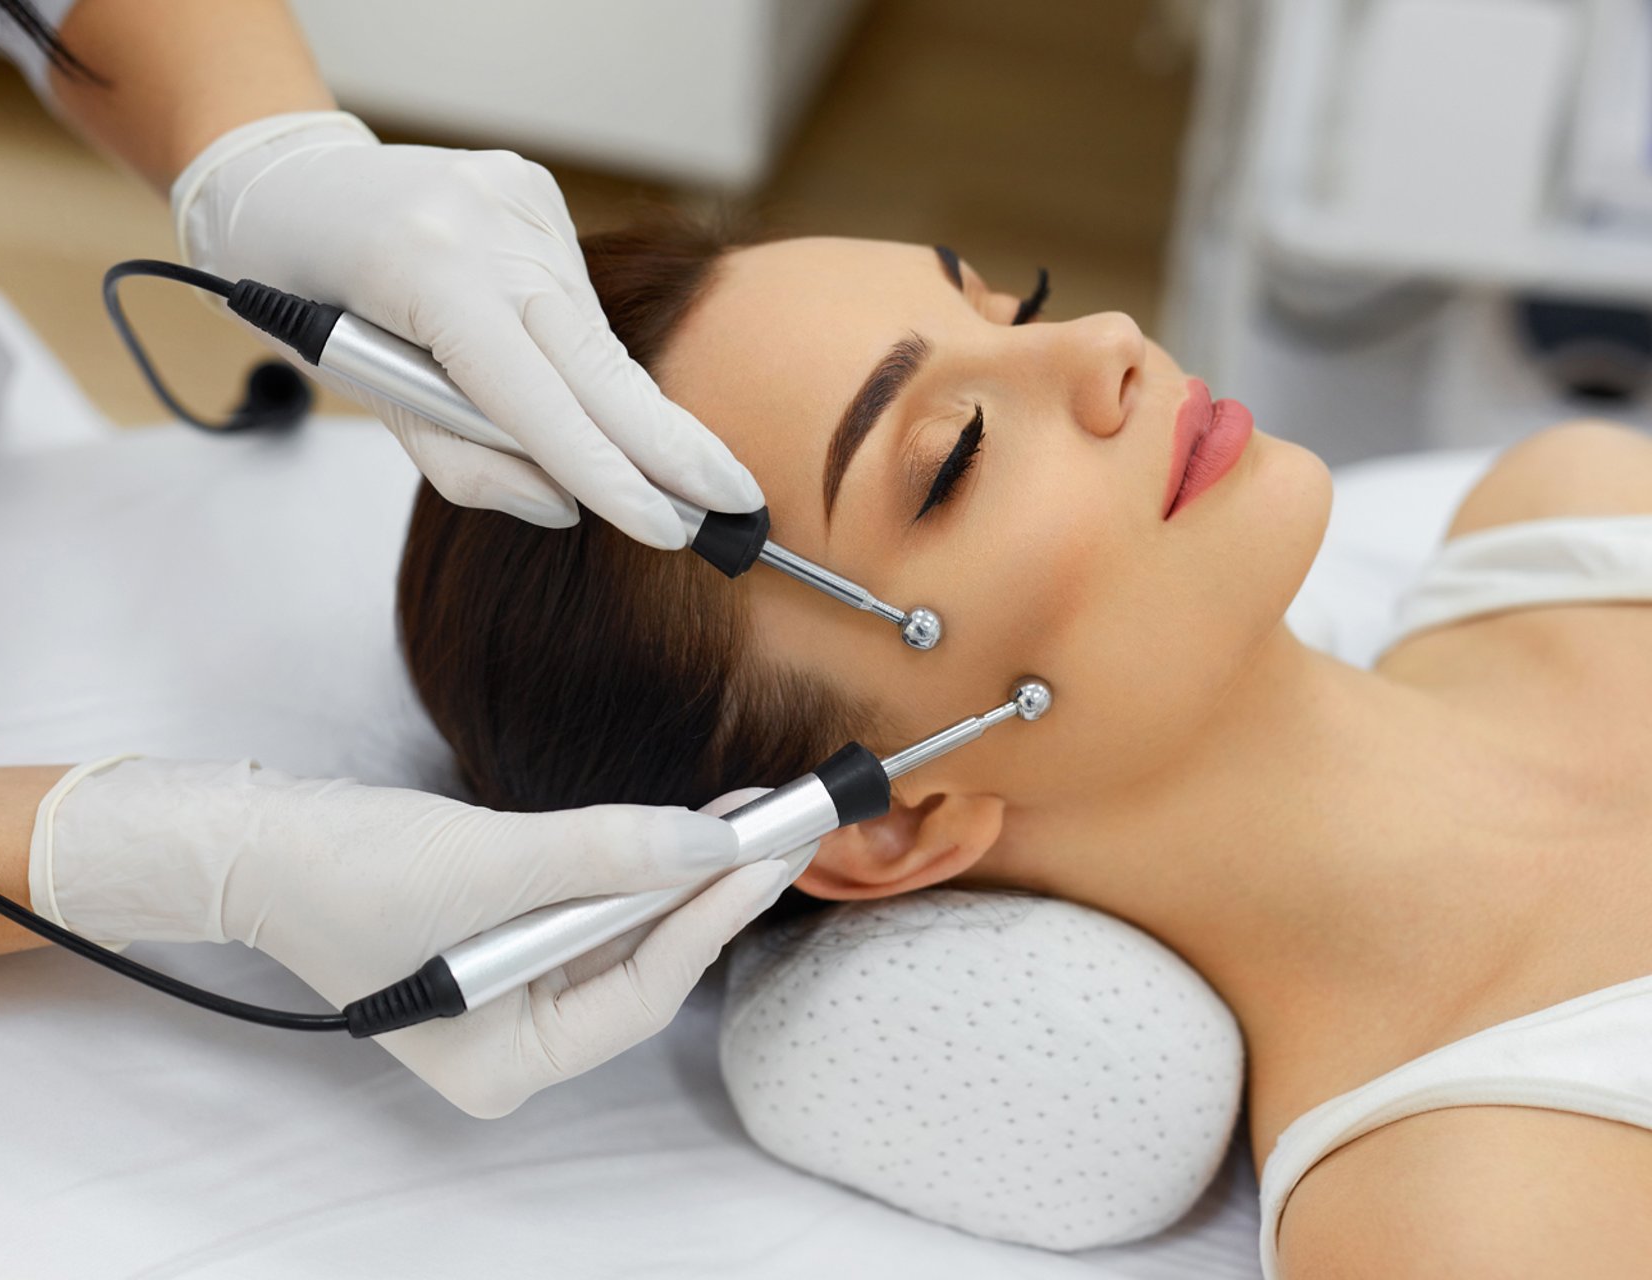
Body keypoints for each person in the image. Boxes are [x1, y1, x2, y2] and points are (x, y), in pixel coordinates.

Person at [397, 219, 1652, 1272]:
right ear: (888, 818)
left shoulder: (1579, 511)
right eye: (955, 460)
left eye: (1011, 305)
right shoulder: (1472, 1214)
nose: (1105, 343)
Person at [0, 0, 794, 1120]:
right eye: (949, 461)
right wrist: (164, 855)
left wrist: (265, 151)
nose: (1011, 347)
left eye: (1000, 295)